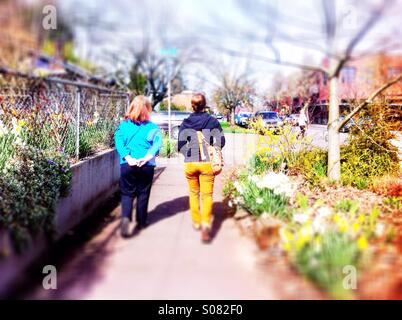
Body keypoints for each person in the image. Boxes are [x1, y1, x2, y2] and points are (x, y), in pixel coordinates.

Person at [178, 93, 226, 243]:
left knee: (193, 193)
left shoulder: (186, 122)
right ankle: (206, 225)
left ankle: (196, 221)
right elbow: (221, 141)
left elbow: (180, 146)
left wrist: (190, 154)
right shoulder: (212, 121)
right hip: (207, 163)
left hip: (191, 162)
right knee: (206, 196)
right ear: (204, 105)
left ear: (192, 105)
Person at [115, 96, 162, 237]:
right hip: (146, 165)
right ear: (148, 110)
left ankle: (125, 218)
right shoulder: (152, 127)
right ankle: (141, 221)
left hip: (127, 165)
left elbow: (118, 142)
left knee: (127, 193)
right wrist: (147, 157)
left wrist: (128, 158)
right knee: (143, 193)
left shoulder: (123, 126)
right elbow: (157, 143)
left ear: (131, 108)